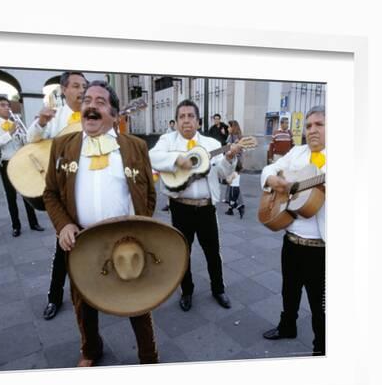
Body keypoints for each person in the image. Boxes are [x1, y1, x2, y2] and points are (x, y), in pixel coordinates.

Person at [43, 80, 158, 367]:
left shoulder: (136, 147)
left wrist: (141, 227)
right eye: (86, 100)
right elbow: (51, 193)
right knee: (83, 303)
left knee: (138, 302)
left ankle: (148, 356)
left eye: (100, 102)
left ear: (115, 115)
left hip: (127, 240)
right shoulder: (62, 145)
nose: (91, 106)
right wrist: (64, 225)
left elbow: (149, 193)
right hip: (81, 240)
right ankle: (91, 350)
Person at [149, 99, 241, 312]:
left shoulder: (212, 145)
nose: (186, 121)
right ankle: (187, 291)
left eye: (191, 116)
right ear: (177, 121)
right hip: (180, 206)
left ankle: (218, 289)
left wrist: (229, 158)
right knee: (183, 251)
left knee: (213, 251)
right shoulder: (167, 140)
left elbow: (224, 174)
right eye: (182, 117)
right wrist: (177, 160)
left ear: (198, 122)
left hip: (206, 206)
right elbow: (151, 156)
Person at [261, 106, 326, 356]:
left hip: (322, 249)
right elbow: (269, 169)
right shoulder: (297, 153)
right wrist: (273, 181)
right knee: (289, 289)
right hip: (291, 240)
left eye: (319, 124)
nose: (312, 130)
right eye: (308, 125)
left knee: (321, 307)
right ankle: (287, 326)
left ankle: (321, 351)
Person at [26, 72, 88, 321]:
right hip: (63, 192)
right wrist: (41, 121)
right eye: (75, 86)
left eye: (84, 86)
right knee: (63, 247)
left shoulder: (93, 114)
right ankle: (54, 297)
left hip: (87, 187)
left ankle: (97, 294)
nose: (81, 90)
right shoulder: (57, 117)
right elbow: (32, 139)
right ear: (64, 90)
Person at [0, 97, 44, 237]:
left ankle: (33, 223)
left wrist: (26, 133)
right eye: (3, 105)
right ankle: (16, 226)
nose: (7, 108)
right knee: (11, 196)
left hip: (21, 162)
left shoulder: (15, 123)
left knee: (27, 193)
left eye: (8, 105)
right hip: (6, 163)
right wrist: (10, 133)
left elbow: (25, 142)